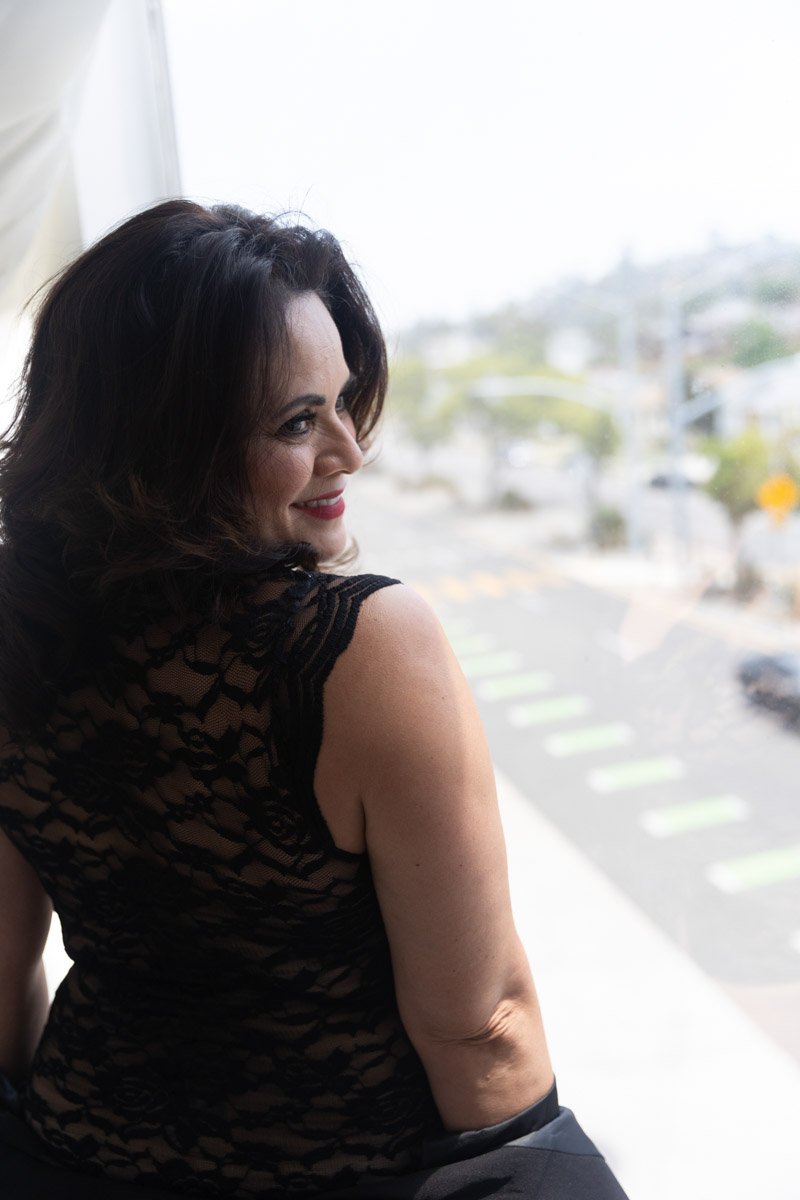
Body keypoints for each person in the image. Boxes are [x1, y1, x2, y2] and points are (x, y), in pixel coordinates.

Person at [0, 199, 628, 1199]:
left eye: (342, 402)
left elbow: (3, 980)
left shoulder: (18, 631)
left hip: (74, 1155)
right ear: (168, 445)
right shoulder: (362, 646)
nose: (349, 450)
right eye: (297, 420)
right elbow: (478, 1022)